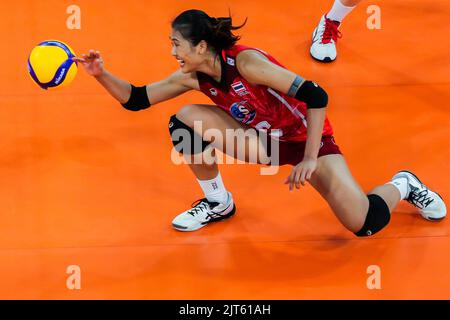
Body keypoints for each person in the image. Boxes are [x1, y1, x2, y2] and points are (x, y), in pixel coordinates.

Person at [74, 9, 446, 235]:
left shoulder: (247, 64)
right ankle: (218, 203)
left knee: (362, 223)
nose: (172, 52)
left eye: (176, 44)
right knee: (184, 122)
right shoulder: (193, 77)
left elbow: (316, 96)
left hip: (305, 139)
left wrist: (311, 158)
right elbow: (137, 99)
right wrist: (99, 75)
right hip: (262, 139)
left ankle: (403, 184)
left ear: (201, 47)